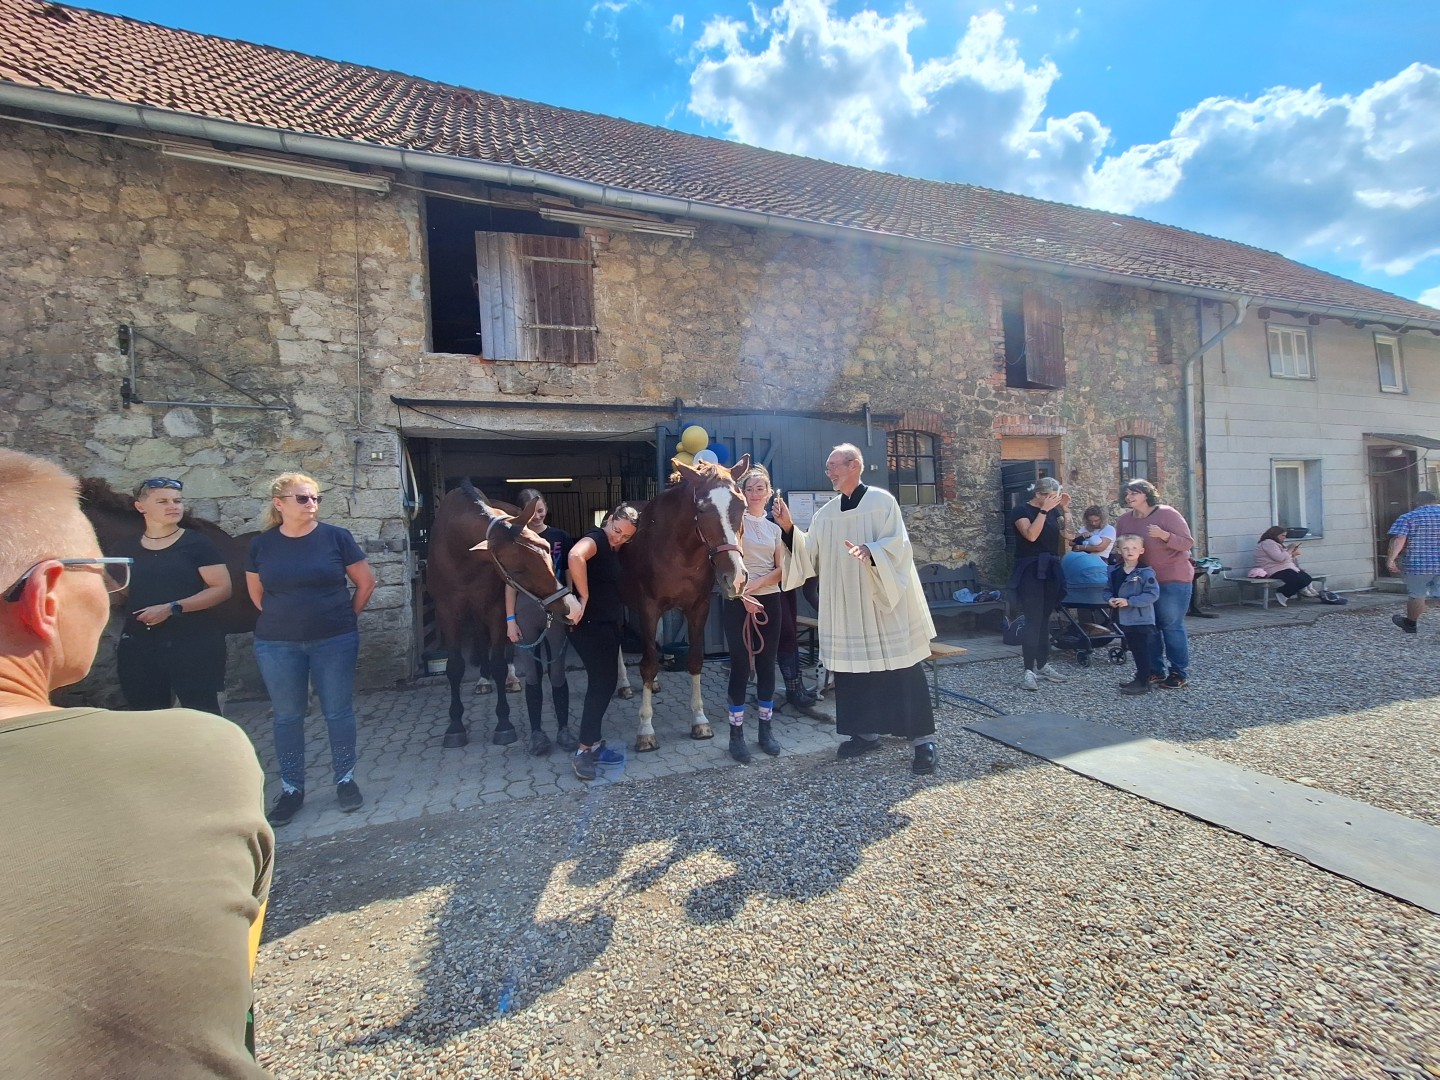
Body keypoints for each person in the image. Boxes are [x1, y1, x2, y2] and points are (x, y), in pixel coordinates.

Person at [0, 449, 272, 1077]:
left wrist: (173, 610)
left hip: (187, 643)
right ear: (45, 598)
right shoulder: (204, 755)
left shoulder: (195, 546)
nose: (110, 589)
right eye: (102, 573)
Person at [771, 444, 938, 776]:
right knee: (853, 672)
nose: (829, 472)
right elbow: (808, 555)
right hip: (847, 605)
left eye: (833, 466)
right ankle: (865, 734)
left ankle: (923, 741)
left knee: (901, 668)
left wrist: (872, 552)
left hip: (881, 602)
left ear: (854, 466)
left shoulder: (882, 502)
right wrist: (789, 528)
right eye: (828, 467)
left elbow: (900, 547)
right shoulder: (827, 513)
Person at [246, 473, 376, 827]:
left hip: (334, 639)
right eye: (302, 498)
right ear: (279, 503)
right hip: (276, 643)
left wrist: (346, 618)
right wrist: (285, 618)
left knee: (338, 711)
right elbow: (257, 595)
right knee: (287, 717)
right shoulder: (262, 545)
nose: (311, 505)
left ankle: (345, 781)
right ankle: (291, 789)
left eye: (315, 498)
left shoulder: (337, 538)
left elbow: (365, 583)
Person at [112, 476, 233, 714]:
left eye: (177, 501)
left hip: (192, 643)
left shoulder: (197, 543)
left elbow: (221, 589)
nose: (173, 506)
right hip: (139, 645)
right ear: (140, 506)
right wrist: (102, 579)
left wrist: (172, 607)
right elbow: (124, 595)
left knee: (201, 714)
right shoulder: (124, 548)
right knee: (146, 716)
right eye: (163, 501)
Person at [566, 503, 640, 780]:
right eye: (616, 530)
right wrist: (584, 597)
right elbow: (574, 556)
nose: (618, 538)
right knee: (600, 684)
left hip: (606, 625)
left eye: (625, 537)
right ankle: (583, 751)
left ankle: (595, 744)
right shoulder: (596, 538)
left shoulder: (612, 546)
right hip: (588, 626)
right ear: (609, 520)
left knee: (606, 684)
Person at [505, 488, 578, 756]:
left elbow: (569, 574)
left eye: (541, 508)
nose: (538, 515)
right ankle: (537, 732)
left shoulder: (560, 536)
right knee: (532, 675)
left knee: (557, 671)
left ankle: (564, 729)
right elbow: (510, 584)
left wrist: (572, 604)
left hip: (555, 607)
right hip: (526, 610)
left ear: (546, 507)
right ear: (523, 513)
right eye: (532, 510)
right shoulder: (517, 542)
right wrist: (510, 619)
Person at [722, 463, 786, 763]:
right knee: (739, 665)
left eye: (760, 488)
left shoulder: (775, 529)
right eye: (749, 488)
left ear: (769, 492)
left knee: (766, 664)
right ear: (743, 494)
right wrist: (742, 594)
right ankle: (736, 736)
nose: (755, 493)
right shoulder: (735, 524)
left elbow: (781, 570)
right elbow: (726, 566)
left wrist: (755, 587)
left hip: (769, 601)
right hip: (737, 602)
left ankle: (765, 730)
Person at [1115, 478, 1195, 689]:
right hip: (1141, 583)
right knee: (1148, 627)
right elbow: (1120, 550)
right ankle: (1154, 671)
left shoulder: (1167, 514)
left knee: (1170, 625)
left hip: (1172, 578)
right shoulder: (1124, 520)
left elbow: (1187, 543)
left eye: (1135, 493)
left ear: (1147, 494)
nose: (1129, 497)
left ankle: (1178, 673)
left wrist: (1164, 535)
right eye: (1127, 493)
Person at [1008, 477, 1071, 691]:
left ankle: (1043, 665)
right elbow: (1031, 535)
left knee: (1045, 619)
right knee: (1033, 619)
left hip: (1051, 568)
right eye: (1050, 496)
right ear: (1039, 494)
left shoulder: (1054, 511)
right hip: (1030, 569)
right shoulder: (1021, 511)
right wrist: (1043, 511)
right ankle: (1028, 670)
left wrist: (1066, 509)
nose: (1053, 500)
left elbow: (1069, 536)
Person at [1106, 534, 1161, 695]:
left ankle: (1144, 681)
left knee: (1142, 649)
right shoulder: (1115, 572)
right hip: (1124, 618)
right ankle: (1140, 676)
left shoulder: (1145, 573)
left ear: (1141, 551)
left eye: (1134, 548)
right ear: (1119, 550)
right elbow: (1108, 590)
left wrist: (1129, 601)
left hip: (1141, 618)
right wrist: (1109, 599)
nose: (1130, 551)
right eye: (1126, 548)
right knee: (1135, 649)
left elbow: (1152, 595)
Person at [1386, 491, 1440, 634]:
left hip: (1418, 564)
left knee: (1417, 594)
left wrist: (1391, 560)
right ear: (1435, 500)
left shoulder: (1409, 517)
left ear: (1416, 502)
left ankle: (1410, 624)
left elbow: (1399, 539)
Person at [1252, 526, 1315, 608]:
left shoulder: (1276, 544)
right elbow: (1279, 558)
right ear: (1275, 534)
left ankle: (1285, 593)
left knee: (1307, 578)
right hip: (1272, 569)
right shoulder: (1268, 543)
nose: (1284, 538)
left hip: (1283, 568)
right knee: (1298, 579)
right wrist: (1289, 549)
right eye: (1283, 535)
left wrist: (1292, 555)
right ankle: (1283, 593)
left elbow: (1285, 558)